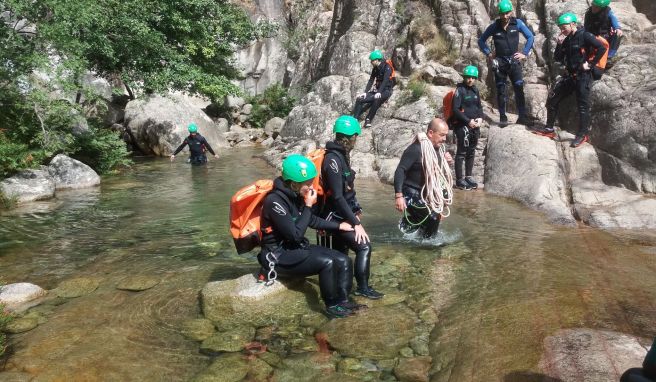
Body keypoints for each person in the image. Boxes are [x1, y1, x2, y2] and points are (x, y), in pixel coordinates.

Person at [258, 154, 362, 318]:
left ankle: (343, 300)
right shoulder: (274, 201)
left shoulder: (295, 195)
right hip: (278, 255)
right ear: (293, 184)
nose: (312, 187)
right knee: (327, 263)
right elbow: (295, 235)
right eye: (308, 184)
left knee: (343, 259)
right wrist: (308, 205)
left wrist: (338, 225)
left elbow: (311, 220)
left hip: (294, 248)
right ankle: (331, 306)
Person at [319, 115, 383, 299]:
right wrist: (355, 223)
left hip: (342, 213)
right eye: (356, 135)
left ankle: (342, 289)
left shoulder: (342, 156)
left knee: (342, 254)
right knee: (364, 247)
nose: (357, 139)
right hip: (334, 216)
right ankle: (362, 288)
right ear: (349, 136)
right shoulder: (332, 159)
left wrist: (355, 209)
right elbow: (338, 197)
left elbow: (347, 192)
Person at [534, 13, 607, 148]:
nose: (562, 30)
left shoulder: (585, 35)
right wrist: (558, 44)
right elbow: (557, 57)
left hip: (583, 76)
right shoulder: (567, 39)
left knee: (582, 107)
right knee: (553, 99)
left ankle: (582, 134)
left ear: (573, 24)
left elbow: (602, 48)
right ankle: (549, 129)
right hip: (570, 76)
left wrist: (591, 64)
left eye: (564, 27)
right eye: (560, 28)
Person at [394, 118, 454, 239]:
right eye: (441, 135)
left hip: (426, 193)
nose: (444, 139)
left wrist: (446, 163)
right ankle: (428, 246)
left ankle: (409, 226)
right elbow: (400, 170)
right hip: (411, 192)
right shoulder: (415, 149)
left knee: (433, 216)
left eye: (445, 135)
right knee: (433, 217)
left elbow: (438, 174)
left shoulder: (438, 149)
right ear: (431, 133)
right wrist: (399, 196)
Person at [478, 0, 534, 127]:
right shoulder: (494, 26)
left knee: (519, 89)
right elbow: (481, 40)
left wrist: (524, 53)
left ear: (511, 12)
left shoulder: (517, 23)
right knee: (501, 90)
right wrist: (488, 53)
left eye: (507, 13)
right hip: (500, 63)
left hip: (514, 62)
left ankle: (522, 117)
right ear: (499, 14)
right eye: (502, 14)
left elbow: (530, 37)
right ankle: (502, 117)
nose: (504, 16)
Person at [451, 65, 485, 190]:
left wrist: (480, 118)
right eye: (467, 77)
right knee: (461, 153)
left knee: (471, 151)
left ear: (475, 78)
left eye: (472, 77)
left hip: (475, 126)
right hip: (462, 125)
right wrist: (467, 121)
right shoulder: (460, 90)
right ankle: (460, 180)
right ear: (464, 77)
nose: (470, 80)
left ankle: (468, 177)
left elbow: (479, 107)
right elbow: (455, 109)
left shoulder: (475, 90)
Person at [352, 49, 395, 128]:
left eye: (372, 60)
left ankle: (368, 119)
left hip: (386, 90)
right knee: (360, 99)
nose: (371, 62)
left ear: (377, 60)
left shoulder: (387, 67)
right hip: (378, 90)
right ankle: (355, 119)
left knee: (376, 99)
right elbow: (371, 80)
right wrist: (365, 92)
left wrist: (379, 92)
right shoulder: (375, 68)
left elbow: (385, 80)